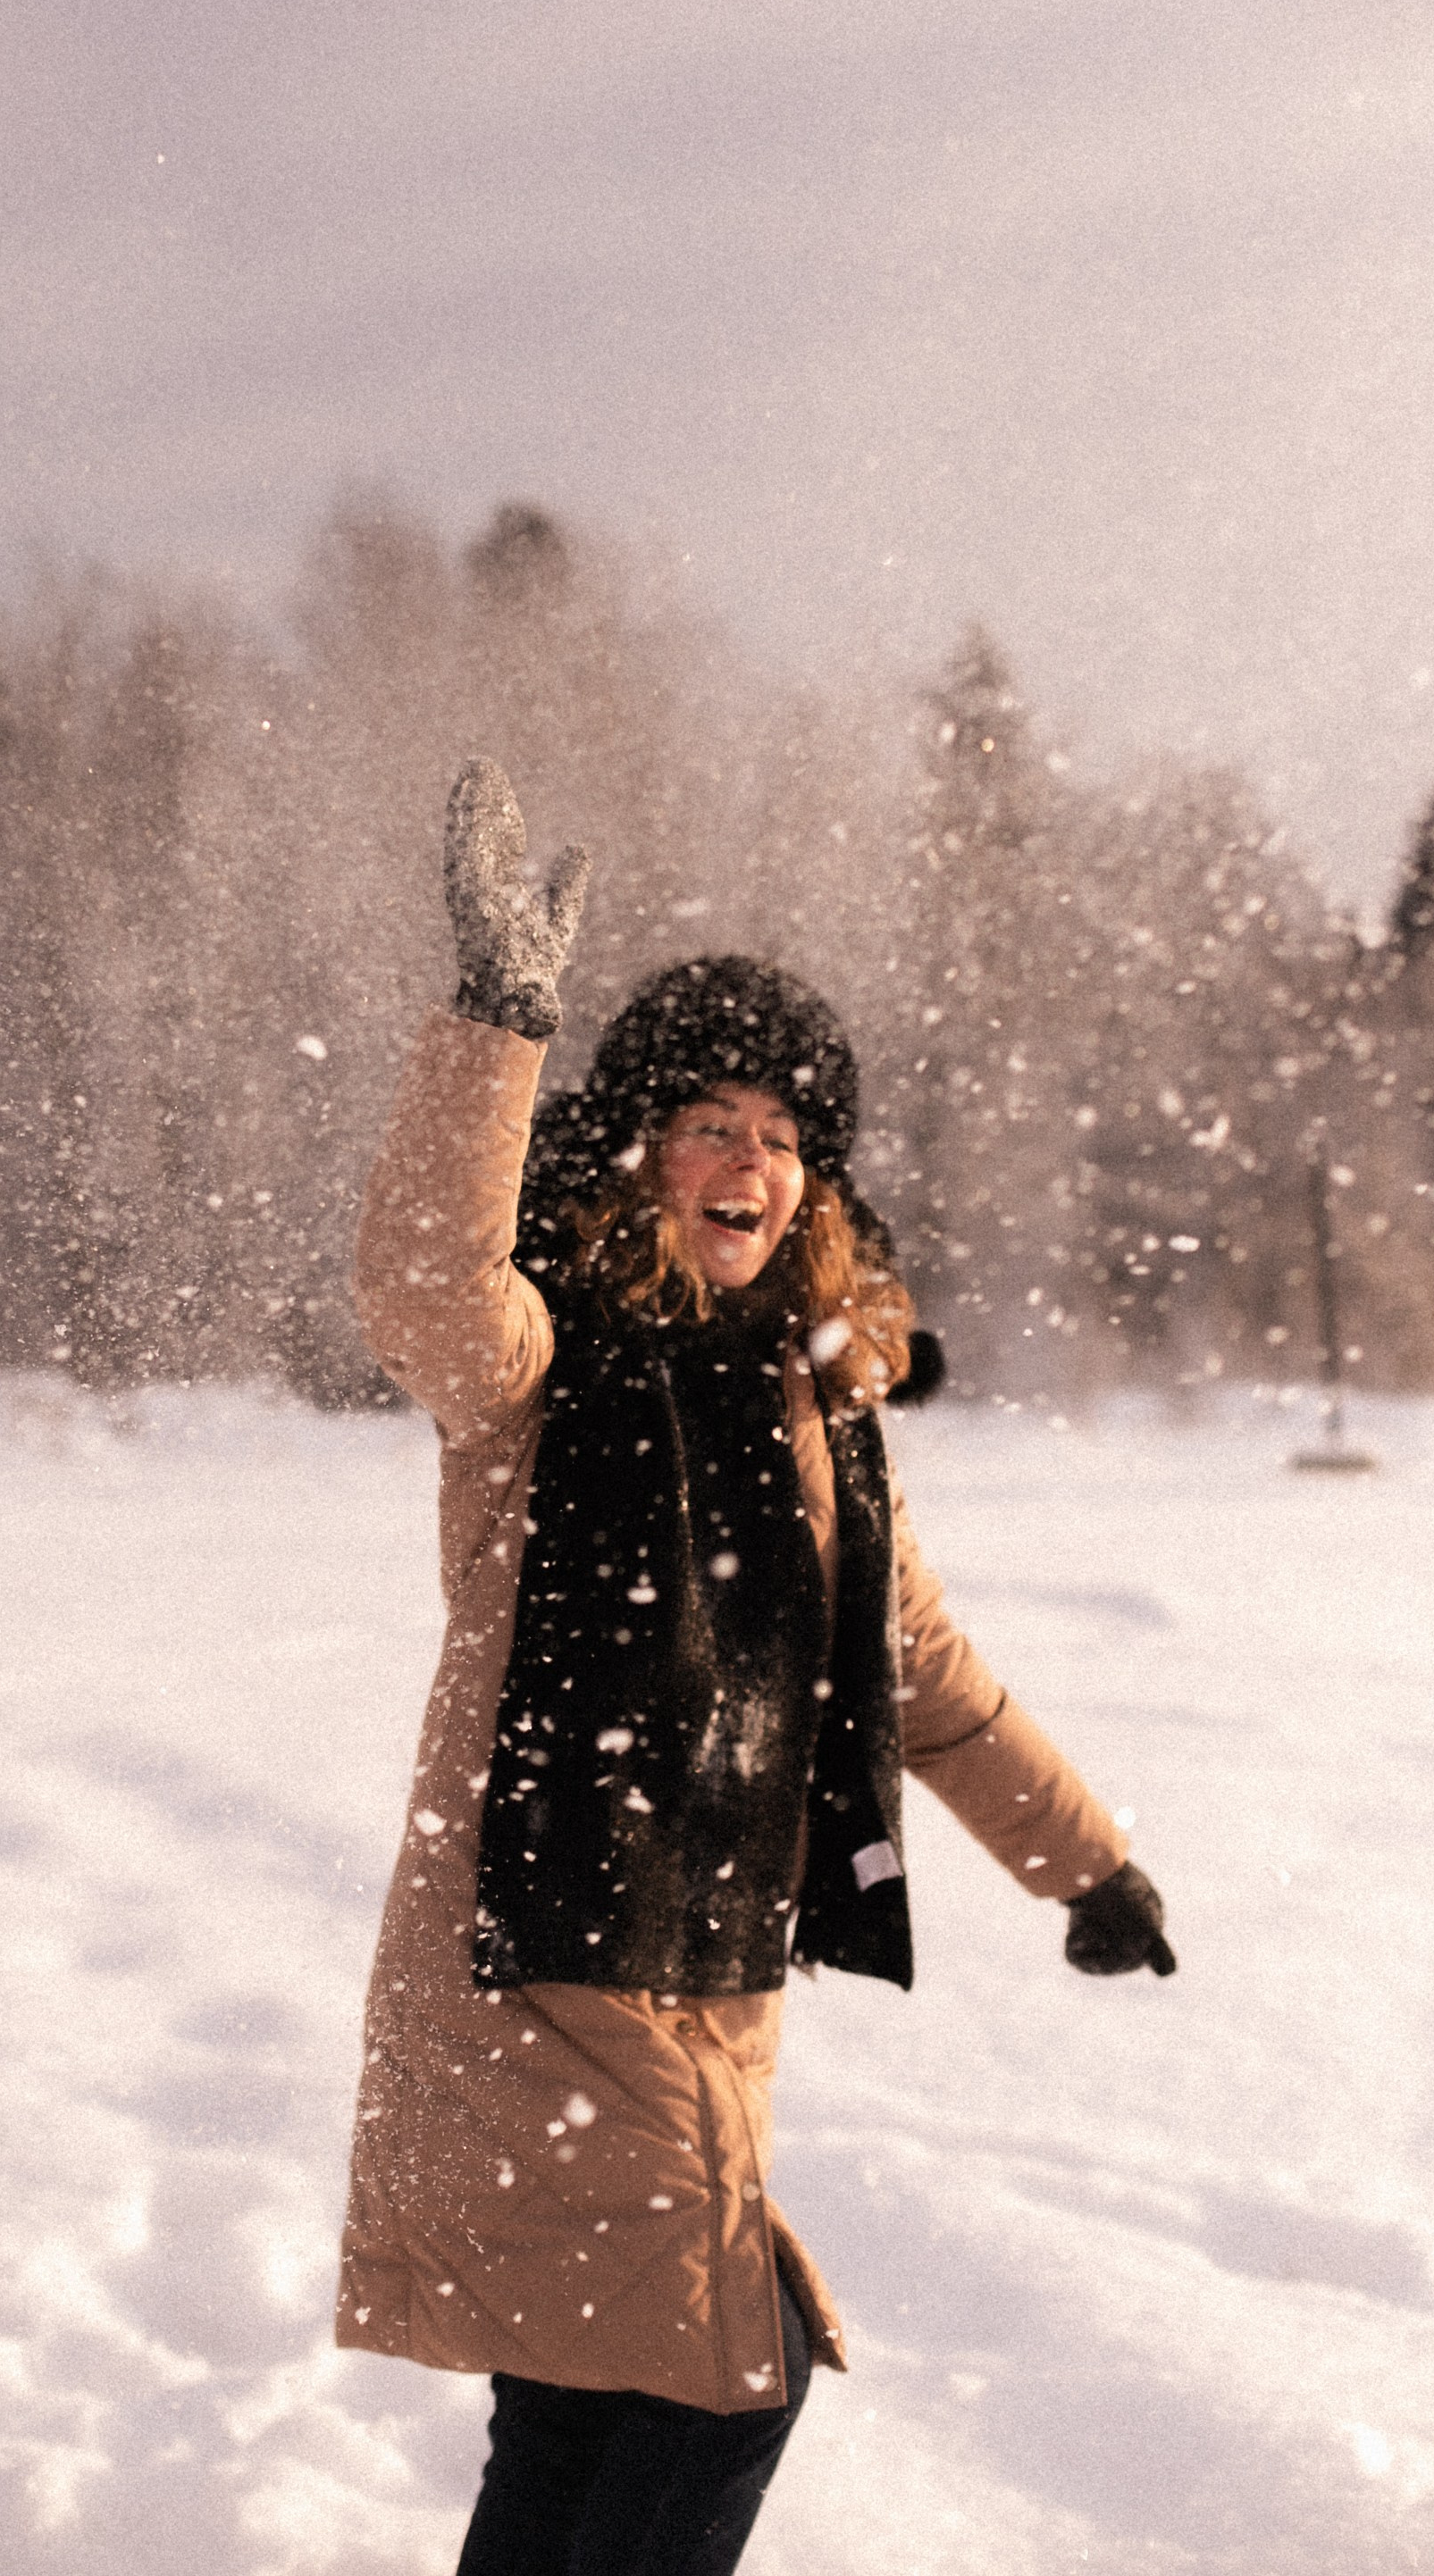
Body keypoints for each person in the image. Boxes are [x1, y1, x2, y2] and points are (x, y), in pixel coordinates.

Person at [338, 761, 1175, 2575]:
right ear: (636, 1149)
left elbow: (924, 1674)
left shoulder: (814, 1418)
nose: (751, 1163)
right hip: (540, 1957)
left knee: (578, 2403)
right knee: (737, 2369)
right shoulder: (546, 1375)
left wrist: (1083, 1860)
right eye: (709, 1123)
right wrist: (495, 1025)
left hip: (703, 1970)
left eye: (785, 1138)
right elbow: (419, 1280)